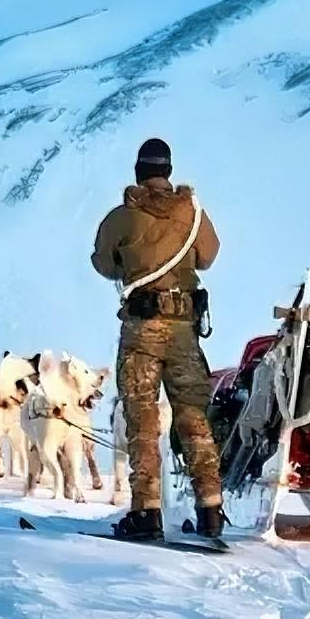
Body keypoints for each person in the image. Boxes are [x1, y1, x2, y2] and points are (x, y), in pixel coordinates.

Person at [91, 137, 224, 540]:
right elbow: (208, 256)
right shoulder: (195, 215)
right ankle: (211, 508)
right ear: (167, 172)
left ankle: (146, 512)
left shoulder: (121, 217)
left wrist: (131, 262)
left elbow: (102, 262)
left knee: (143, 421)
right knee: (194, 419)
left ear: (138, 172)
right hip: (184, 331)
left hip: (141, 330)